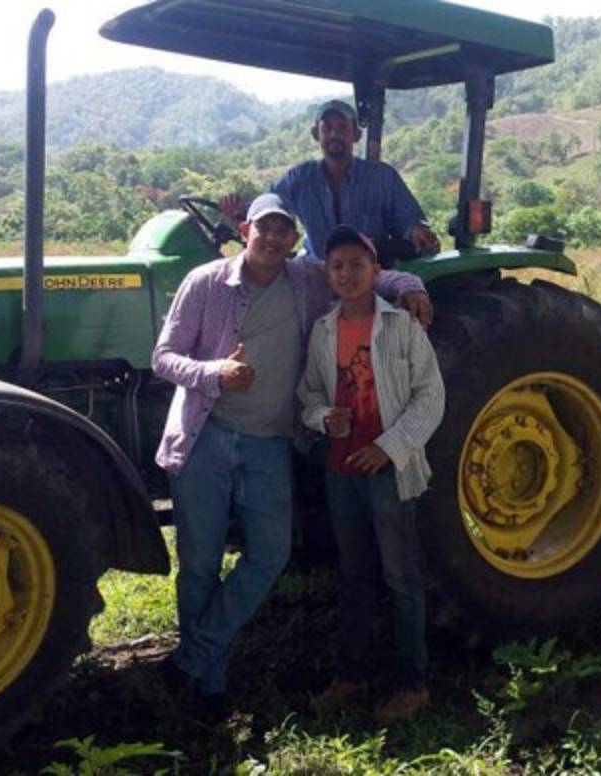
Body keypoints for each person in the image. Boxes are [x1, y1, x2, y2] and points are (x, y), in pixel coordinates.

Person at [151, 195, 431, 721]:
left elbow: (363, 274)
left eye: (284, 231)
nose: (274, 239)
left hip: (268, 442)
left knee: (270, 554)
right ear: (245, 230)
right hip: (206, 436)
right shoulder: (204, 282)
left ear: (293, 239)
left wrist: (412, 284)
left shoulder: (305, 279)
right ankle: (208, 686)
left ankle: (190, 657)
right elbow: (162, 357)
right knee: (199, 564)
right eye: (266, 229)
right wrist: (214, 373)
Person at [299, 224, 445, 723]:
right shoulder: (323, 331)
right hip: (341, 470)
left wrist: (390, 447)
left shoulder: (401, 326)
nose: (347, 274)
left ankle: (412, 684)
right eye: (337, 266)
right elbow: (308, 395)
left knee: (401, 577)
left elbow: (431, 397)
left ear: (375, 271)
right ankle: (352, 675)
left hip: (388, 469)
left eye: (357, 265)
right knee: (356, 575)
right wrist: (323, 418)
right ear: (328, 275)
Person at [270, 99, 442, 261]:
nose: (334, 134)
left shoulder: (382, 177)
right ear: (316, 134)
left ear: (356, 134)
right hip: (316, 272)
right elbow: (269, 204)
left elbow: (408, 219)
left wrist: (418, 232)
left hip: (370, 272)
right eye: (327, 128)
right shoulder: (298, 178)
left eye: (342, 127)